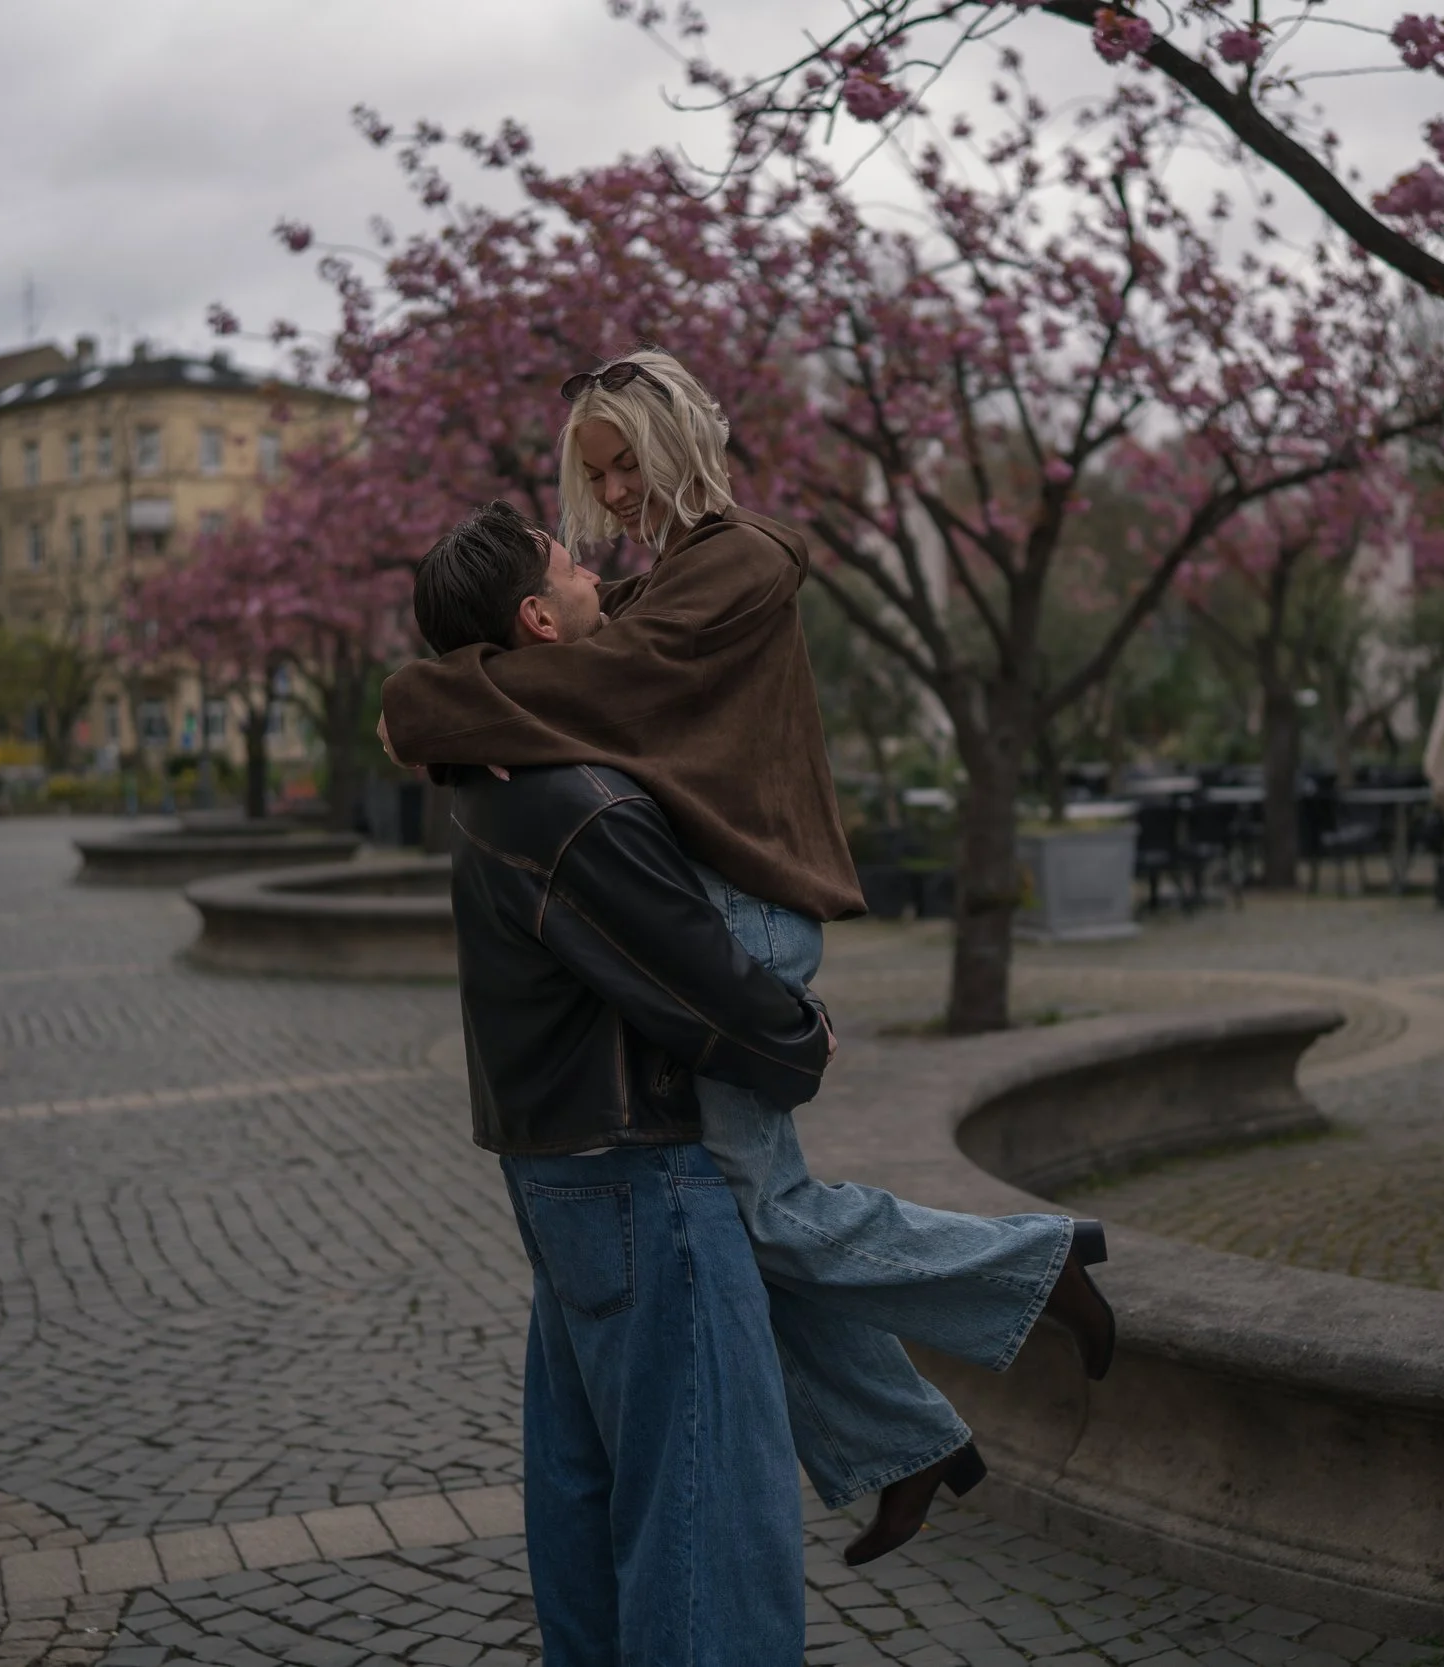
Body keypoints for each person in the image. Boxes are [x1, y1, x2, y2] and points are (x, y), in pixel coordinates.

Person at [390, 370, 1116, 1568]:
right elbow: (569, 664)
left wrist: (426, 700)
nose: (614, 490)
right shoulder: (663, 579)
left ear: (680, 441)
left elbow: (599, 682)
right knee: (740, 1219)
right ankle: (906, 1441)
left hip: (748, 912)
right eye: (597, 471)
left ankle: (1036, 1270)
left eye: (629, 461)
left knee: (763, 1213)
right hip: (721, 905)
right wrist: (459, 699)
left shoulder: (738, 560)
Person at [443, 694, 832, 1661]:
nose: (609, 614)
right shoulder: (583, 804)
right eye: (587, 605)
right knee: (708, 1507)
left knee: (584, 1486)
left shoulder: (488, 771)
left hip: (560, 1165)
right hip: (644, 1169)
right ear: (536, 623)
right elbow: (700, 979)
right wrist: (802, 1038)